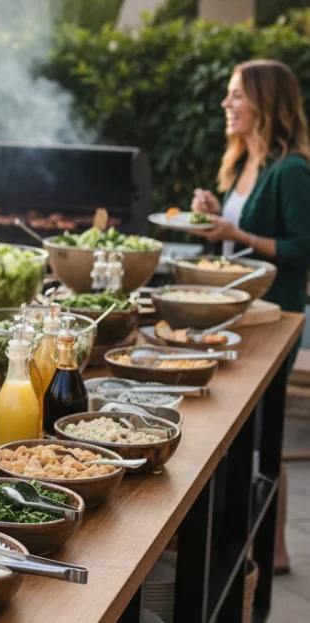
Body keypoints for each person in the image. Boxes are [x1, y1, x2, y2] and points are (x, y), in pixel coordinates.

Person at [189, 59, 310, 574]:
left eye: (236, 94)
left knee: (263, 431)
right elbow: (241, 237)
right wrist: (215, 216)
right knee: (246, 432)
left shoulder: (292, 170)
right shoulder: (245, 162)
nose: (226, 103)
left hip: (277, 320)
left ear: (265, 102)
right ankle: (244, 543)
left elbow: (302, 249)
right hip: (242, 316)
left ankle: (273, 549)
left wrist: (235, 233)